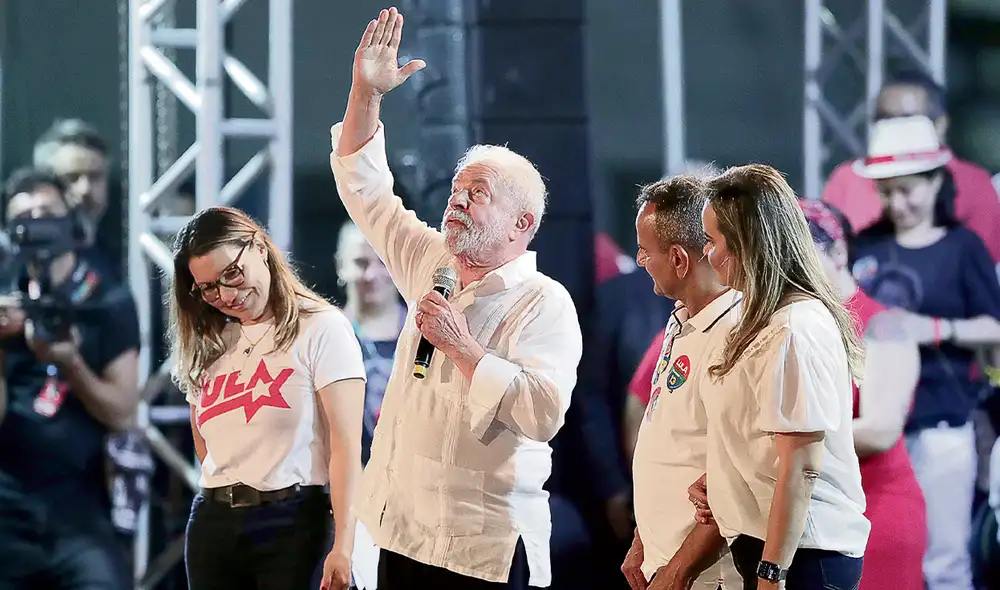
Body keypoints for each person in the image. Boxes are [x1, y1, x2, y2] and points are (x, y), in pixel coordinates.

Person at [330, 8, 583, 589]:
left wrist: (462, 347)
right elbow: (366, 189)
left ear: (522, 223)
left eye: (478, 193)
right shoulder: (431, 260)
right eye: (456, 190)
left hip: (484, 550)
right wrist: (365, 93)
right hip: (403, 535)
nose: (458, 202)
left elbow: (543, 414)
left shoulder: (545, 303)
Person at [691, 164, 869, 589]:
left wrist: (772, 572)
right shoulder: (764, 320)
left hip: (804, 558)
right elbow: (761, 434)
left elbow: (802, 466)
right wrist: (721, 476)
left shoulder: (795, 328)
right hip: (776, 548)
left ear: (746, 246)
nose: (708, 255)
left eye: (713, 241)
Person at [170, 206, 366, 590]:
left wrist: (344, 545)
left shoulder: (322, 328)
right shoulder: (209, 342)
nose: (227, 294)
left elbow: (345, 448)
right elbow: (207, 447)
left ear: (259, 247)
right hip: (214, 522)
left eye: (232, 273)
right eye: (208, 287)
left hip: (294, 522)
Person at [850, 115, 1000, 590]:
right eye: (887, 191)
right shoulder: (865, 246)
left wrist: (932, 328)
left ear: (937, 182)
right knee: (878, 561)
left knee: (944, 565)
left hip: (940, 426)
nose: (898, 203)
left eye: (908, 189)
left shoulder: (962, 248)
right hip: (871, 431)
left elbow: (994, 327)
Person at [0, 168, 140, 589]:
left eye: (47, 212)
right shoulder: (5, 294)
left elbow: (123, 414)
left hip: (80, 507)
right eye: (25, 217)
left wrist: (69, 363)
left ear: (70, 221)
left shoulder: (107, 299)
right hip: (8, 501)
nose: (38, 224)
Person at [617, 175, 740, 590]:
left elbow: (736, 479)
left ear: (679, 260)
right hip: (669, 564)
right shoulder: (681, 321)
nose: (638, 261)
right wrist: (645, 540)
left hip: (709, 577)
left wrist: (676, 572)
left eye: (644, 251)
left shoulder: (736, 337)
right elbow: (674, 444)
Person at [800, 199, 926, 590]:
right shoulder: (800, 325)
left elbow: (880, 429)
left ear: (838, 252)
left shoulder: (883, 326)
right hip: (813, 518)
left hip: (876, 515)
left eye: (802, 258)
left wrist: (781, 441)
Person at [821, 70, 1000, 262]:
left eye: (907, 119)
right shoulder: (846, 179)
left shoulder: (973, 183)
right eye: (884, 118)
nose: (894, 128)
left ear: (940, 124)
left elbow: (984, 263)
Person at [334, 221, 405, 466]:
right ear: (340, 266)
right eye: (361, 263)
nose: (372, 275)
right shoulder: (324, 340)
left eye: (382, 263)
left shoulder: (427, 336)